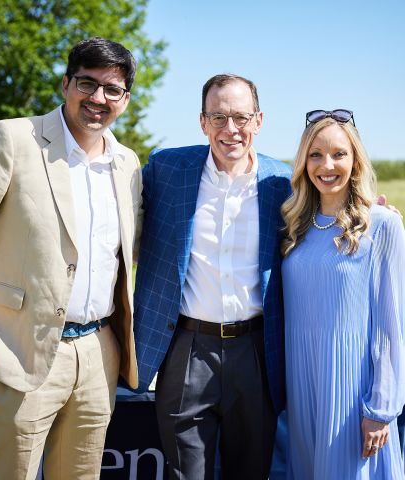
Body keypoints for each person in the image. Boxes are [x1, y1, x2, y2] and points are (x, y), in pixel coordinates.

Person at [0, 37, 142, 479]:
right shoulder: (11, 139)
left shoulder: (128, 164)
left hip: (101, 352)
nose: (98, 98)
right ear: (65, 84)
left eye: (112, 89)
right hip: (18, 347)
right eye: (87, 83)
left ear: (125, 99)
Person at [133, 74, 292, 479]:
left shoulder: (284, 181)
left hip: (256, 349)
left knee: (251, 471)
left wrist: (376, 217)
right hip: (186, 346)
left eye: (240, 117)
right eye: (218, 117)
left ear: (259, 121)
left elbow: (328, 220)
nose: (230, 129)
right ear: (202, 122)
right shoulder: (166, 169)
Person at [281, 110, 405, 479]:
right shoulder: (293, 225)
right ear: (304, 162)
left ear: (356, 160)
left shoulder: (382, 224)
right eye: (316, 154)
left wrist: (380, 408)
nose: (327, 165)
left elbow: (391, 323)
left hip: (352, 392)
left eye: (339, 153)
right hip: (302, 389)